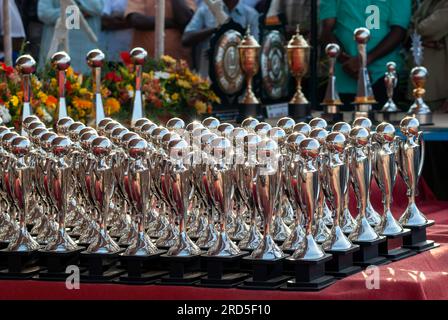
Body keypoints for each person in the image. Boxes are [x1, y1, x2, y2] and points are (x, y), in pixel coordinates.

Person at [320, 0, 412, 109]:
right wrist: (347, 62)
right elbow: (326, 31)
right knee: (344, 125)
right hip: (344, 76)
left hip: (382, 75)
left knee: (383, 124)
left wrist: (364, 60)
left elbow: (399, 31)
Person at [182, 0, 259, 77]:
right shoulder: (205, 10)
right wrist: (215, 29)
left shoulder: (251, 15)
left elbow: (254, 50)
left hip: (237, 78)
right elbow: (186, 39)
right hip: (207, 78)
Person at [37, 0, 104, 73]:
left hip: (85, 56)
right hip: (57, 53)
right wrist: (76, 14)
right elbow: (43, 13)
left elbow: (97, 7)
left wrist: (70, 13)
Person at [125, 0, 195, 65]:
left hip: (177, 63)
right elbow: (137, 21)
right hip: (145, 63)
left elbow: (186, 21)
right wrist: (172, 23)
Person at [412, 0, 448, 112]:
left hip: (438, 91)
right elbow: (409, 30)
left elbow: (423, 30)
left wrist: (417, 34)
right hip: (418, 86)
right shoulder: (426, 2)